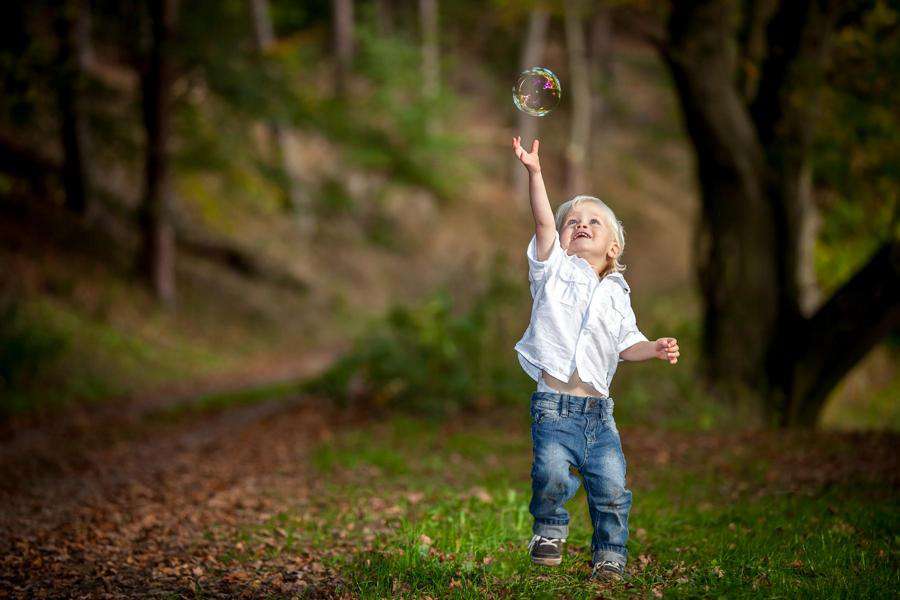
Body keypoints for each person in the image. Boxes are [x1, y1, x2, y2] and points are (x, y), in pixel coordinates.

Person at [511, 136, 680, 582]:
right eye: (573, 222)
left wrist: (655, 348)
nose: (579, 225)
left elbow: (627, 344)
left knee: (611, 488)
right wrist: (535, 173)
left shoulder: (618, 294)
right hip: (552, 404)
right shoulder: (552, 270)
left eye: (593, 222)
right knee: (549, 473)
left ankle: (609, 552)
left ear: (613, 249)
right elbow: (544, 223)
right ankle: (548, 530)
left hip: (598, 413)